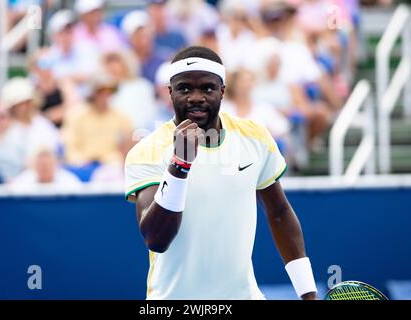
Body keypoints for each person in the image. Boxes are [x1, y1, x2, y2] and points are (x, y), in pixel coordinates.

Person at [124, 46, 318, 300]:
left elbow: (279, 213)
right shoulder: (147, 151)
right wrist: (179, 165)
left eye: (207, 88)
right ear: (169, 92)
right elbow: (156, 239)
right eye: (184, 89)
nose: (196, 97)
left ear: (223, 91)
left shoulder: (254, 137)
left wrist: (308, 294)